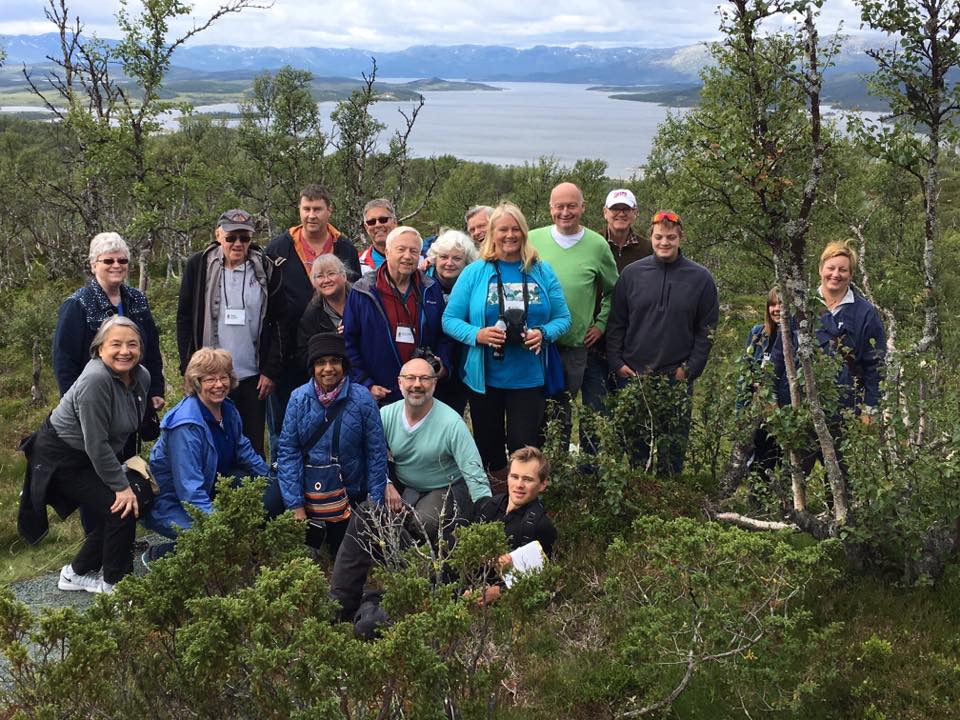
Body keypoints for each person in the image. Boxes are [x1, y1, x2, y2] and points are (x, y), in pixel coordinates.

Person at [329, 356, 492, 624]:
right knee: (366, 515)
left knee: (424, 523)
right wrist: (387, 484)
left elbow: (474, 474)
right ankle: (340, 606)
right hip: (406, 488)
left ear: (434, 384)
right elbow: (368, 454)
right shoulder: (386, 415)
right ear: (400, 383)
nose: (417, 385)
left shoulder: (451, 423)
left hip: (448, 486)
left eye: (425, 379)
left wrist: (489, 522)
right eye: (411, 379)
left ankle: (424, 583)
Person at [19, 316, 153, 593]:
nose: (124, 351)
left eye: (132, 344)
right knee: (122, 507)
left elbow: (121, 428)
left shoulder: (141, 376)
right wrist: (120, 486)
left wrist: (125, 479)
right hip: (62, 458)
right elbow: (96, 443)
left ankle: (76, 573)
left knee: (132, 499)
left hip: (90, 455)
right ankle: (117, 585)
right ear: (99, 349)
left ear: (141, 347)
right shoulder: (95, 380)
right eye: (115, 344)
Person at [443, 202, 571, 486]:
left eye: (515, 229)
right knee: (489, 449)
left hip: (529, 377)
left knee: (523, 447)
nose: (509, 235)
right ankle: (496, 505)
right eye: (503, 229)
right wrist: (478, 335)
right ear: (492, 233)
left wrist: (544, 333)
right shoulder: (476, 272)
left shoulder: (541, 271)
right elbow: (449, 319)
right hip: (485, 378)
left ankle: (523, 504)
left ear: (524, 233)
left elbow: (563, 317)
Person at [605, 210, 719, 475]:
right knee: (636, 447)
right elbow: (616, 323)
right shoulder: (632, 274)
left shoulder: (700, 279)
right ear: (651, 237)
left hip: (676, 378)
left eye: (670, 237)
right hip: (634, 376)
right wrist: (617, 362)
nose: (664, 243)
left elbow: (707, 330)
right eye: (658, 237)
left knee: (673, 449)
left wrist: (689, 369)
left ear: (681, 237)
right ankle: (640, 500)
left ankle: (671, 506)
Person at [177, 208, 286, 456]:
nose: (238, 243)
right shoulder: (199, 265)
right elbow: (184, 318)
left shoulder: (266, 268)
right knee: (207, 444)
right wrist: (187, 367)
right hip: (209, 376)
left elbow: (280, 322)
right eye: (231, 237)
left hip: (251, 376)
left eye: (244, 238)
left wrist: (270, 370)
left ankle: (252, 493)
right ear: (218, 235)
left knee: (251, 445)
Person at [143, 347, 270, 552]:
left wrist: (272, 481)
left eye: (224, 377)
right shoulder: (186, 426)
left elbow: (243, 450)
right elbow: (189, 489)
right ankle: (158, 554)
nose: (219, 384)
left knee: (262, 505)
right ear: (197, 382)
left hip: (209, 489)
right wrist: (217, 525)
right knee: (219, 541)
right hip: (173, 503)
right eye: (210, 379)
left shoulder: (227, 409)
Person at [266, 185, 361, 457]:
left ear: (329, 210)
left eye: (317, 209)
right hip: (287, 348)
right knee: (284, 418)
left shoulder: (344, 247)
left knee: (329, 416)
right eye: (306, 209)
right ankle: (281, 471)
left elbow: (354, 292)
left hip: (332, 352)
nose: (311, 215)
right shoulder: (279, 246)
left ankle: (327, 471)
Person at [275, 332, 388, 556]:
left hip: (349, 494)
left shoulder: (362, 399)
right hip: (310, 496)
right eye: (320, 363)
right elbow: (288, 451)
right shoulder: (298, 399)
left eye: (334, 361)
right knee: (306, 556)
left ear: (344, 364)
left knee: (346, 554)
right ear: (312, 367)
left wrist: (374, 505)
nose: (328, 368)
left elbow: (376, 452)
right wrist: (295, 505)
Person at [528, 182, 619, 444]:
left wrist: (601, 324)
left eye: (571, 205)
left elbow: (616, 290)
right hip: (532, 345)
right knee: (529, 410)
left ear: (583, 207)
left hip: (572, 347)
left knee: (561, 412)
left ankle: (555, 471)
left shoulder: (597, 245)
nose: (565, 212)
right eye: (559, 206)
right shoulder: (532, 239)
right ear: (550, 208)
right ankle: (527, 469)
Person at [772, 241, 885, 421]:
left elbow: (875, 366)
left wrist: (870, 410)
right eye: (830, 268)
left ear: (851, 274)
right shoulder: (800, 306)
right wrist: (770, 396)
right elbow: (779, 354)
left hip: (845, 414)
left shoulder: (866, 313)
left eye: (843, 270)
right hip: (796, 410)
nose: (835, 274)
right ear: (820, 269)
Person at [53, 232, 165, 413]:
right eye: (108, 261)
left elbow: (151, 347)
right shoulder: (78, 304)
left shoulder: (137, 298)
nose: (116, 265)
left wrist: (155, 389)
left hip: (134, 395)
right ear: (93, 265)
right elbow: (65, 361)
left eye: (122, 261)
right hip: (95, 400)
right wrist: (74, 405)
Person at [344, 225, 452, 406]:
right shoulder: (363, 291)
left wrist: (443, 366)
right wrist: (365, 383)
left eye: (414, 251)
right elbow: (349, 342)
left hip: (422, 391)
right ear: (387, 252)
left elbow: (444, 335)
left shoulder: (430, 289)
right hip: (380, 393)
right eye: (401, 249)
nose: (408, 256)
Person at [581, 188, 652, 450]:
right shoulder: (591, 245)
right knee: (595, 414)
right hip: (595, 345)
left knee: (634, 417)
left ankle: (634, 476)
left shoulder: (649, 248)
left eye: (626, 209)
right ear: (605, 213)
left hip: (633, 347)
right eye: (615, 209)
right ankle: (591, 475)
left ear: (635, 214)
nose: (620, 214)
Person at [471, 445, 558, 605]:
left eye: (528, 479)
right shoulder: (488, 506)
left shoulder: (540, 527)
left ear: (542, 485)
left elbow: (542, 583)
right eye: (514, 476)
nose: (519, 485)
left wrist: (499, 592)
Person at [427, 229, 479, 415]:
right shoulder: (422, 286)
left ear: (467, 262)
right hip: (430, 363)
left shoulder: (474, 287)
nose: (449, 263)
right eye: (444, 257)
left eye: (456, 258)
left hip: (464, 364)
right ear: (435, 259)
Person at [296, 254, 352, 369]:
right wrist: (334, 337)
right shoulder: (311, 315)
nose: (326, 280)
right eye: (320, 276)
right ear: (314, 282)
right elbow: (305, 355)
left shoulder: (361, 301)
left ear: (344, 276)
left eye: (331, 273)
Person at [358, 198, 398, 277]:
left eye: (383, 220)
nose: (378, 225)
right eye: (371, 222)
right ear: (366, 227)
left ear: (394, 222)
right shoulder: (358, 264)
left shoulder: (418, 258)